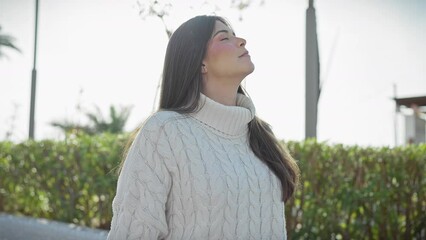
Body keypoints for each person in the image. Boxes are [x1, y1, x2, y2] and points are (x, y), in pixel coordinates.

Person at [107, 15, 300, 240]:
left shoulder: (262, 135)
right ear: (200, 63)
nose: (241, 41)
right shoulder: (164, 132)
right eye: (224, 37)